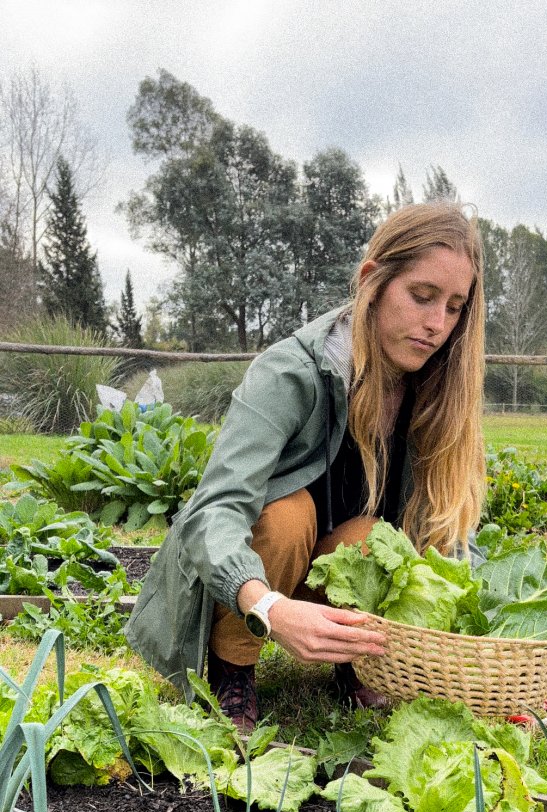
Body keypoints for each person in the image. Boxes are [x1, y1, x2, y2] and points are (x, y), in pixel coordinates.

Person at [125, 201, 486, 731]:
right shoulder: (290, 372)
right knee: (286, 517)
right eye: (422, 297)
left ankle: (359, 662)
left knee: (371, 536)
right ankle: (233, 672)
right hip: (261, 573)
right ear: (372, 282)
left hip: (336, 562)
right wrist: (269, 607)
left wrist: (490, 637)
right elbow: (215, 511)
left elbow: (452, 531)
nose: (436, 325)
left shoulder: (439, 391)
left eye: (454, 307)